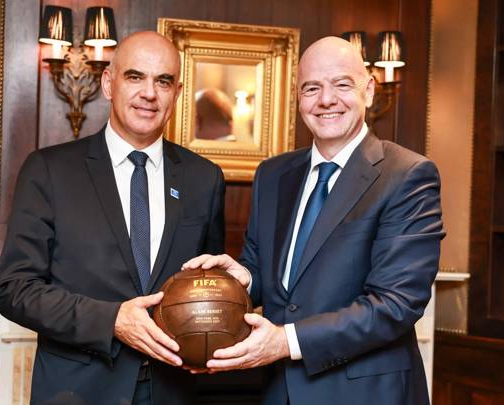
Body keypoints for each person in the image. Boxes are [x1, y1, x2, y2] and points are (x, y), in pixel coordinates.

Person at [183, 36, 444, 405]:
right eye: (312, 88)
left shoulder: (408, 174)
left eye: (342, 84)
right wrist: (244, 278)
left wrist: (285, 341)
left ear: (368, 90)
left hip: (367, 393)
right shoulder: (273, 175)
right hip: (281, 390)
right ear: (298, 97)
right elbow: (268, 271)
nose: (326, 100)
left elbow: (395, 304)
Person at [0, 31, 226, 404]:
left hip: (171, 391)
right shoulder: (50, 170)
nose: (149, 93)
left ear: (177, 93)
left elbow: (208, 284)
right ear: (108, 83)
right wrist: (112, 320)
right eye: (135, 77)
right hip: (76, 391)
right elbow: (14, 289)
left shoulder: (205, 179)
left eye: (163, 81)